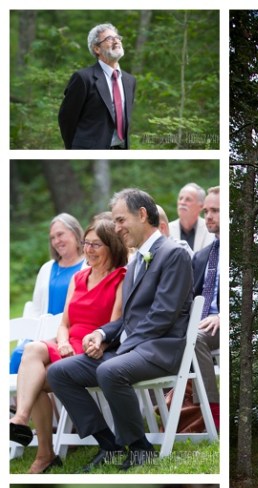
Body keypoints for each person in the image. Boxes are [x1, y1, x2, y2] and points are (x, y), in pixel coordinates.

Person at [46, 188, 193, 472]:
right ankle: (108, 444)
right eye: (115, 221)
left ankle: (140, 448)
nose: (116, 228)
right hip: (131, 350)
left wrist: (122, 346)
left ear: (142, 214)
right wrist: (102, 334)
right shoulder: (136, 260)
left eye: (121, 220)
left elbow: (163, 315)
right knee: (58, 372)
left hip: (161, 349)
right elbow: (128, 318)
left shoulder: (173, 254)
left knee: (109, 370)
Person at [10, 218, 127, 473]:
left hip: (94, 348)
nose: (89, 250)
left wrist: (99, 343)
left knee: (34, 381)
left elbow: (115, 325)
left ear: (112, 246)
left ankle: (44, 453)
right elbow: (64, 323)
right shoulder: (78, 278)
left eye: (96, 245)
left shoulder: (120, 278)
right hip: (68, 343)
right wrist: (62, 342)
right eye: (86, 243)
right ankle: (23, 420)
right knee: (32, 351)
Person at [11, 214, 86, 373]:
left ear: (75, 233)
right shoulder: (47, 268)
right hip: (42, 334)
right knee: (18, 354)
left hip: (70, 335)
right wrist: (34, 335)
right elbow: (36, 309)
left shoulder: (88, 266)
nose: (56, 241)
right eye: (52, 237)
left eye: (60, 234)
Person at [58, 23, 136, 150]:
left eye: (117, 37)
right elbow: (66, 118)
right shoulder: (83, 78)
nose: (116, 41)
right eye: (109, 38)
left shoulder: (129, 80)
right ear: (97, 49)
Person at [188, 187, 221, 430]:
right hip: (199, 321)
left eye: (215, 211)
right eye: (206, 211)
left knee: (195, 338)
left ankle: (213, 414)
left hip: (222, 324)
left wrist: (222, 316)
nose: (208, 216)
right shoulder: (202, 256)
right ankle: (170, 410)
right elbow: (189, 296)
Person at [169, 183, 215, 253]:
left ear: (201, 206)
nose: (182, 202)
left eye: (188, 199)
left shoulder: (211, 230)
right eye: (180, 198)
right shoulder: (167, 229)